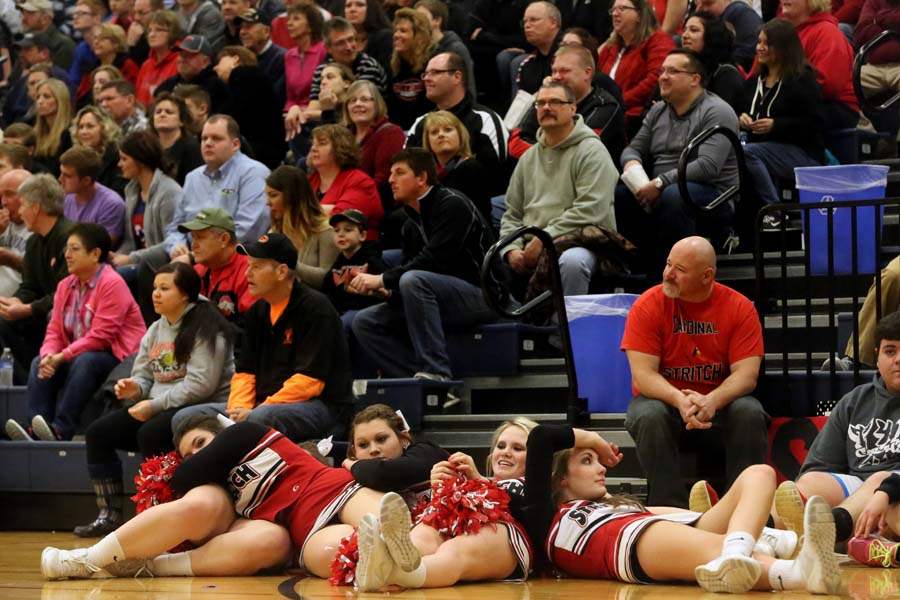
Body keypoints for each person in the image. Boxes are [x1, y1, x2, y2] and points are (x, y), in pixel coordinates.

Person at [40, 415, 388, 581]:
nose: (197, 456)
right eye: (187, 453)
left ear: (222, 433)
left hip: (323, 500)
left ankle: (150, 565)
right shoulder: (215, 488)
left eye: (201, 444)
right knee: (271, 538)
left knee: (374, 528)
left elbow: (185, 474)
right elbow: (187, 478)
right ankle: (90, 559)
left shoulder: (248, 434)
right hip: (291, 528)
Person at [73, 262, 234, 537]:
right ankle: (109, 515)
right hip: (159, 406)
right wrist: (134, 388)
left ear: (185, 294)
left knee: (150, 433)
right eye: (155, 288)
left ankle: (161, 510)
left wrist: (153, 405)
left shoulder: (208, 328)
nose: (156, 294)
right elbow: (145, 376)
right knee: (98, 433)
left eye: (164, 288)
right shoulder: (156, 329)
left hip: (201, 407)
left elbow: (201, 385)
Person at [621, 236, 766, 507]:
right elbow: (643, 375)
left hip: (719, 405)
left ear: (707, 276)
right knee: (647, 414)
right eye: (668, 264)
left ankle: (743, 504)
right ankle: (669, 507)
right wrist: (679, 399)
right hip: (666, 404)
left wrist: (712, 401)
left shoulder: (740, 307)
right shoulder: (647, 305)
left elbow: (747, 375)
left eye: (680, 270)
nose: (668, 274)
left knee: (749, 411)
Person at [172, 232, 354, 442]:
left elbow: (310, 381)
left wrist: (258, 410)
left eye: (256, 267)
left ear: (281, 271)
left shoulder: (316, 308)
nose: (247, 273)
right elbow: (245, 372)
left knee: (260, 418)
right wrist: (239, 408)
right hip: (262, 406)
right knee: (186, 418)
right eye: (248, 265)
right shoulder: (256, 312)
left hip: (321, 406)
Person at [350, 149, 496, 382]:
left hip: (484, 296)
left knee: (413, 279)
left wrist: (382, 279)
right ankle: (420, 382)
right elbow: (416, 273)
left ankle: (437, 372)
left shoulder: (452, 204)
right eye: (391, 174)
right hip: (437, 297)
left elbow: (434, 260)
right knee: (365, 322)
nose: (390, 180)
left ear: (421, 178)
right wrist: (388, 292)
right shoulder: (410, 223)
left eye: (399, 173)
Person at [354, 416, 541, 590]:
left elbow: (521, 506)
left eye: (518, 448)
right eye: (501, 446)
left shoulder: (537, 487)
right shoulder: (480, 479)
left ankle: (390, 573)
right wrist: (441, 490)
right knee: (425, 534)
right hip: (463, 530)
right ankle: (385, 559)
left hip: (509, 537)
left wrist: (478, 480)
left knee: (455, 550)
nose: (506, 452)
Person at [4, 223, 144, 442]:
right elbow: (54, 330)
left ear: (95, 254)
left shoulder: (112, 283)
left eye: (74, 249)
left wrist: (61, 356)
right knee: (39, 361)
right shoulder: (65, 285)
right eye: (66, 249)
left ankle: (61, 428)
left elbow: (100, 337)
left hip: (118, 357)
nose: (67, 255)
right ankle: (36, 428)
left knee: (86, 360)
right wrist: (49, 354)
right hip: (77, 354)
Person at [615, 49, 739, 274]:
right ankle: (639, 269)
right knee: (620, 195)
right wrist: (632, 163)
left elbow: (708, 166)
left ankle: (678, 273)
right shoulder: (658, 110)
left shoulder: (718, 111)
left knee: (674, 195)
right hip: (662, 189)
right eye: (662, 71)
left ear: (694, 79)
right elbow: (633, 148)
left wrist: (660, 182)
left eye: (672, 71)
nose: (663, 77)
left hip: (712, 194)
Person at [788, 311, 900, 545]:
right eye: (890, 351)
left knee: (881, 479)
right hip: (858, 490)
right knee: (812, 481)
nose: (898, 359)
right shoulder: (854, 401)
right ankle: (765, 531)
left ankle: (824, 536)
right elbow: (819, 465)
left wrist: (885, 489)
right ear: (877, 357)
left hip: (894, 494)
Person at [501, 82, 619, 298]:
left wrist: (544, 238)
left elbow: (591, 210)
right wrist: (511, 249)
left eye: (555, 102)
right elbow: (512, 214)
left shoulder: (592, 151)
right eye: (541, 103)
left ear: (573, 108)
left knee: (572, 262)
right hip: (532, 242)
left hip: (585, 242)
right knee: (494, 259)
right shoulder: (528, 157)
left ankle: (566, 321)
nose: (546, 107)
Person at [739, 19, 825, 222]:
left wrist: (776, 125)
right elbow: (740, 108)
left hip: (802, 153)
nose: (760, 48)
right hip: (761, 148)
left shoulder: (801, 78)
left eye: (766, 43)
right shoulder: (755, 81)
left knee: (747, 153)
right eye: (759, 42)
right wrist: (741, 118)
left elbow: (815, 123)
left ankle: (774, 208)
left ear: (783, 47)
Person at [163, 114, 271, 257]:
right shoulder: (192, 178)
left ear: (235, 145)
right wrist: (176, 246)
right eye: (204, 138)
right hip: (191, 254)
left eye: (216, 138)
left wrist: (196, 255)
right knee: (146, 262)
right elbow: (175, 227)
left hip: (235, 257)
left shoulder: (254, 173)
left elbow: (249, 230)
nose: (208, 143)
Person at [0, 175, 72, 383]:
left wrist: (28, 308)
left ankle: (29, 385)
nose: (20, 211)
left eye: (23, 205)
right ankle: (21, 385)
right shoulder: (34, 242)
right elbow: (29, 286)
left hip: (66, 313)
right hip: (41, 309)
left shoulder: (69, 238)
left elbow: (67, 293)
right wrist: (15, 301)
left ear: (36, 208)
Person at [406, 52, 508, 195]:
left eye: (435, 72)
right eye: (425, 74)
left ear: (457, 77)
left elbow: (497, 176)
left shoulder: (485, 119)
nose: (427, 78)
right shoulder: (420, 123)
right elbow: (406, 172)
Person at [509, 45, 626, 168]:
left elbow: (578, 152)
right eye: (554, 71)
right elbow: (515, 144)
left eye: (564, 71)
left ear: (587, 73)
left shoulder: (606, 106)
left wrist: (538, 155)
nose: (556, 77)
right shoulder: (547, 100)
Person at [598, 0, 675, 137]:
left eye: (622, 8)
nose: (615, 13)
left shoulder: (658, 40)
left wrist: (620, 101)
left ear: (639, 15)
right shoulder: (610, 47)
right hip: (607, 112)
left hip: (636, 118)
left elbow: (656, 79)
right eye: (613, 9)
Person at [110, 130, 181, 277]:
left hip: (161, 267)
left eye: (124, 159)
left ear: (140, 161)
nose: (119, 164)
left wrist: (130, 258)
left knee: (113, 279)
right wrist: (115, 258)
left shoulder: (169, 192)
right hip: (138, 263)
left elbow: (172, 242)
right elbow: (130, 241)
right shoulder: (131, 190)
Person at [781, 0, 860, 130]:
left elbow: (827, 87)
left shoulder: (828, 32)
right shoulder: (779, 32)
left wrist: (780, 95)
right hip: (796, 101)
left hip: (835, 106)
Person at [344, 402, 449, 501]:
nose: (373, 450)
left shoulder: (427, 452)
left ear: (403, 438)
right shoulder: (348, 478)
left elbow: (380, 473)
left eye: (381, 439)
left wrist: (351, 464)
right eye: (363, 445)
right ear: (354, 451)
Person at [212, 45, 287, 169]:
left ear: (235, 59)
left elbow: (231, 116)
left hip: (258, 154)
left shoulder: (244, 75)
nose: (215, 68)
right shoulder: (253, 78)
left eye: (219, 62)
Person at [307, 124, 383, 241]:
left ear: (340, 149)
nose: (314, 149)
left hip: (354, 248)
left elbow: (340, 219)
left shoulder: (359, 181)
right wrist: (327, 209)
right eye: (313, 144)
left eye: (322, 143)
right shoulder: (310, 180)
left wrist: (304, 210)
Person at [266, 165, 338, 289]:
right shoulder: (274, 232)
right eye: (267, 196)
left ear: (292, 197)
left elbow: (329, 278)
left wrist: (292, 264)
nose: (267, 202)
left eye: (273, 195)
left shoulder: (325, 231)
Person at [342, 80, 406, 207]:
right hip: (344, 199)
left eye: (364, 99)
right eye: (352, 100)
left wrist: (349, 200)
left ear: (377, 104)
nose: (358, 104)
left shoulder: (390, 133)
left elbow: (383, 180)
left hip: (374, 203)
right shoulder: (344, 135)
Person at [321, 209, 386, 328]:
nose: (341, 234)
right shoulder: (338, 262)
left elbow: (379, 295)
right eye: (336, 230)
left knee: (342, 324)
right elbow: (328, 289)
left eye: (348, 230)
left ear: (362, 235)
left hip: (365, 311)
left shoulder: (372, 259)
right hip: (342, 310)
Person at [421, 110, 490, 221]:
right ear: (428, 142)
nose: (441, 134)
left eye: (448, 130)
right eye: (434, 132)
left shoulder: (470, 167)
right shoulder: (427, 176)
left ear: (460, 135)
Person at [308, 17, 388, 110]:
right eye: (340, 43)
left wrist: (327, 109)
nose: (349, 47)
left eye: (351, 39)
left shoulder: (368, 66)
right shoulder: (323, 70)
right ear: (328, 48)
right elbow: (313, 107)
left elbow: (361, 109)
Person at [59, 147, 126, 247]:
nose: (60, 179)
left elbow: (101, 247)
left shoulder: (111, 204)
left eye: (67, 176)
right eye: (61, 173)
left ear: (86, 180)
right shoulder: (66, 196)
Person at [681, 12, 745, 113]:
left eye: (693, 30)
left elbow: (718, 115)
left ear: (710, 36)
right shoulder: (680, 68)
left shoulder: (726, 74)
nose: (684, 35)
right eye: (684, 30)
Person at [1, 32, 70, 127]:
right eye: (21, 50)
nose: (21, 54)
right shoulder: (22, 79)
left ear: (44, 53)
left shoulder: (59, 76)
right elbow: (7, 112)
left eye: (28, 50)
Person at [413, 0, 475, 97]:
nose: (416, 23)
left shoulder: (455, 48)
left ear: (437, 21)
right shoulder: (415, 48)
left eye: (422, 17)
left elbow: (468, 87)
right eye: (414, 18)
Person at [155, 35, 229, 113]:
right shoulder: (169, 83)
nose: (182, 59)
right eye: (181, 54)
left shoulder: (216, 86)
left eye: (189, 55)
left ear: (205, 61)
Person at [385, 8, 433, 130]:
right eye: (395, 31)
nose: (396, 35)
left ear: (419, 36)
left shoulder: (432, 64)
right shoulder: (392, 66)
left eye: (403, 31)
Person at [69, 105, 128, 197]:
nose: (83, 132)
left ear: (105, 128)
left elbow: (117, 195)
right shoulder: (75, 158)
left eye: (90, 126)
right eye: (80, 127)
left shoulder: (117, 157)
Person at [282, 3, 327, 116]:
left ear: (311, 26)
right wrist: (289, 112)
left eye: (296, 19)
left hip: (315, 114)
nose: (289, 23)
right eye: (289, 19)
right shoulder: (289, 55)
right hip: (292, 114)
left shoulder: (323, 50)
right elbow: (291, 97)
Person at [235, 8, 286, 109]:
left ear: (266, 31)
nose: (242, 32)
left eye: (248, 27)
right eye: (241, 27)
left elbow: (275, 98)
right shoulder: (240, 59)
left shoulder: (281, 58)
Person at [149, 92, 203, 186]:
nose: (162, 114)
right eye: (158, 112)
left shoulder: (192, 148)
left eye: (169, 112)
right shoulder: (148, 147)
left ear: (181, 121)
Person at [79, 23, 139, 102]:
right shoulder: (91, 69)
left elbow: (130, 92)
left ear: (116, 43)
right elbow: (81, 96)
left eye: (102, 39)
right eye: (95, 38)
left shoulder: (127, 65)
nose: (96, 42)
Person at [694, 0, 762, 70]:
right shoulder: (712, 20)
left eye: (708, 4)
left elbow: (750, 48)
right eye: (698, 5)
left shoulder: (739, 11)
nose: (701, 10)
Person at [515, 1, 563, 96]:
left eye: (533, 20)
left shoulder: (571, 57)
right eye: (524, 22)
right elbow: (524, 103)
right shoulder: (527, 65)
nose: (527, 26)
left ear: (553, 23)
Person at [134, 9, 181, 105]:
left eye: (159, 30)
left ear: (172, 33)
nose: (152, 35)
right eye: (149, 30)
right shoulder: (145, 66)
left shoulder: (180, 62)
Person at [0, 170, 32, 297]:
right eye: (1, 195)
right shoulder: (3, 221)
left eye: (9, 194)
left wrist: (11, 260)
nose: (3, 202)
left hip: (17, 301)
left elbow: (41, 276)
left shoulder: (38, 227)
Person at [17, 0, 75, 69]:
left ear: (45, 18)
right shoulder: (23, 40)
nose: (24, 18)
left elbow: (57, 74)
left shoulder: (63, 45)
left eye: (30, 13)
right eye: (23, 13)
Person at [33, 78, 73, 176]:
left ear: (60, 101)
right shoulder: (34, 133)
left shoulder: (69, 134)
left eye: (46, 97)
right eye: (38, 97)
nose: (40, 101)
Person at [342, 0, 392, 69]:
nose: (352, 9)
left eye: (360, 5)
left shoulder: (384, 37)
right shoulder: (340, 39)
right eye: (348, 6)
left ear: (371, 9)